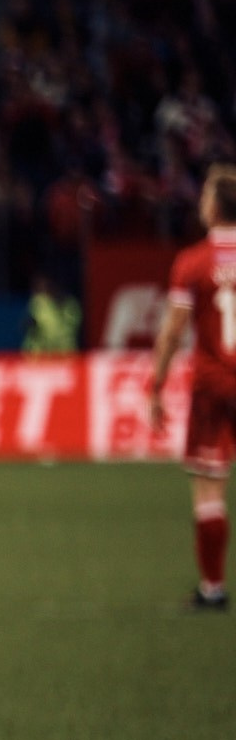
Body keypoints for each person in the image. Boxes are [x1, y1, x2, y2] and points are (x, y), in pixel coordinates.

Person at [146, 162, 236, 611]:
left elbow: (171, 333)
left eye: (204, 196)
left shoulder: (193, 261)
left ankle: (213, 588)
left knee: (208, 487)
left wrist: (155, 386)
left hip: (212, 386)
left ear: (215, 206)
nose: (200, 203)